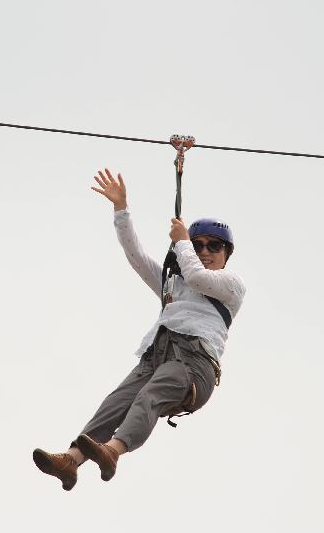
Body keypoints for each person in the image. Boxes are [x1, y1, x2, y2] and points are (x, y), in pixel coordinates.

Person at [32, 168, 246, 490]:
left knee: (150, 394)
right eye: (199, 245)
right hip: (158, 356)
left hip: (193, 364)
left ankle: (113, 451)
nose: (204, 251)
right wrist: (121, 210)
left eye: (213, 247)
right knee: (116, 402)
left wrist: (183, 243)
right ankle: (72, 460)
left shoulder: (231, 285)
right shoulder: (174, 284)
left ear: (226, 255)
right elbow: (137, 257)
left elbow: (199, 277)